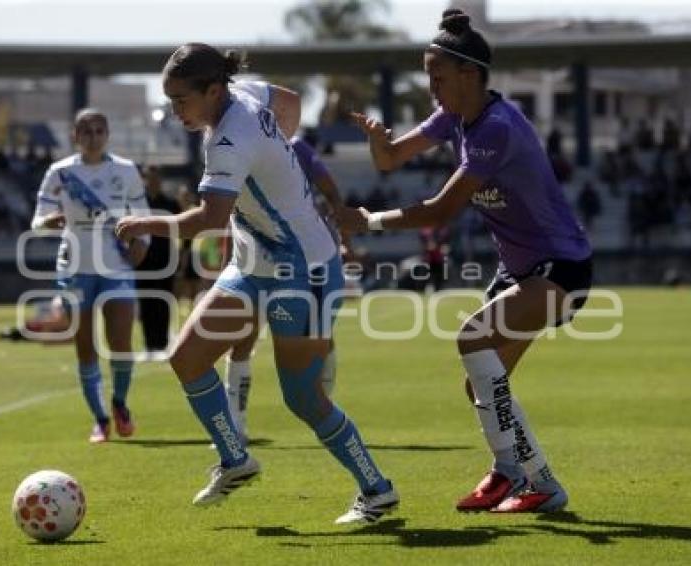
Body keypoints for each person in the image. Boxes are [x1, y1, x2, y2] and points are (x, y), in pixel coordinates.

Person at [115, 43, 397, 524]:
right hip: (253, 263)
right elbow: (289, 101)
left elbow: (210, 219)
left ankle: (377, 490)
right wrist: (276, 156)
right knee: (187, 357)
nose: (174, 111)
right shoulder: (242, 93)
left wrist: (146, 223)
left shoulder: (229, 139)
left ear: (212, 90)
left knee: (303, 398)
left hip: (302, 269)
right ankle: (236, 458)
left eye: (181, 100)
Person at [347, 9, 592, 513]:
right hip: (522, 270)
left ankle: (542, 483)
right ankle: (507, 473)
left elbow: (441, 209)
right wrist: (379, 142)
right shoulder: (453, 118)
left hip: (559, 268)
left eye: (437, 77)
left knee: (472, 339)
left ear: (469, 74)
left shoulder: (495, 128)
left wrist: (368, 222)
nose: (431, 87)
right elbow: (391, 159)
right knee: (480, 381)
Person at [31, 108, 150, 444]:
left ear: (108, 134)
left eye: (99, 130)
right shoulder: (61, 172)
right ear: (74, 135)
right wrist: (47, 222)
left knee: (122, 344)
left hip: (116, 267)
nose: (93, 136)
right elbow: (37, 218)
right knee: (85, 348)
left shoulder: (125, 170)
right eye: (86, 130)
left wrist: (142, 243)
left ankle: (120, 403)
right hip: (75, 268)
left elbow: (141, 215)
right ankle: (100, 420)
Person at [222, 135, 344, 444]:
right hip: (252, 259)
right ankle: (236, 425)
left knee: (316, 341)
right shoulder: (232, 146)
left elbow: (328, 186)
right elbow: (229, 211)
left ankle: (321, 405)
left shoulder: (296, 146)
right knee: (241, 339)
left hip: (303, 258)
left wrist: (341, 226)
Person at [136, 165, 180, 355]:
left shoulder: (170, 203)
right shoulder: (138, 204)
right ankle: (149, 344)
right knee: (146, 302)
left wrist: (183, 257)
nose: (153, 181)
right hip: (143, 260)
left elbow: (183, 232)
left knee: (163, 301)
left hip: (165, 260)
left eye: (156, 178)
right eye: (149, 178)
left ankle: (162, 343)